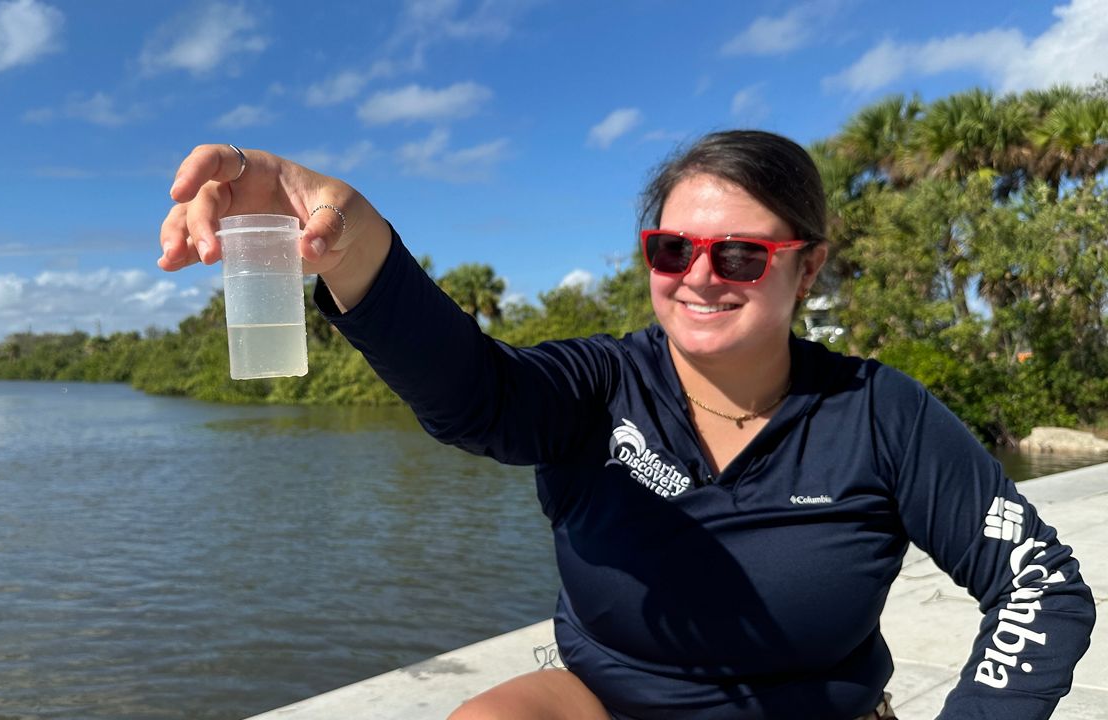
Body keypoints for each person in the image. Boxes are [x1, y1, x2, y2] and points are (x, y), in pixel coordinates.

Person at [159, 131, 1095, 720]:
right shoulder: (601, 386)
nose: (699, 274)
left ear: (805, 272)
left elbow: (1039, 588)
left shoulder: (879, 412)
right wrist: (354, 241)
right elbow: (473, 396)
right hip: (603, 702)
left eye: (740, 252)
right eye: (671, 248)